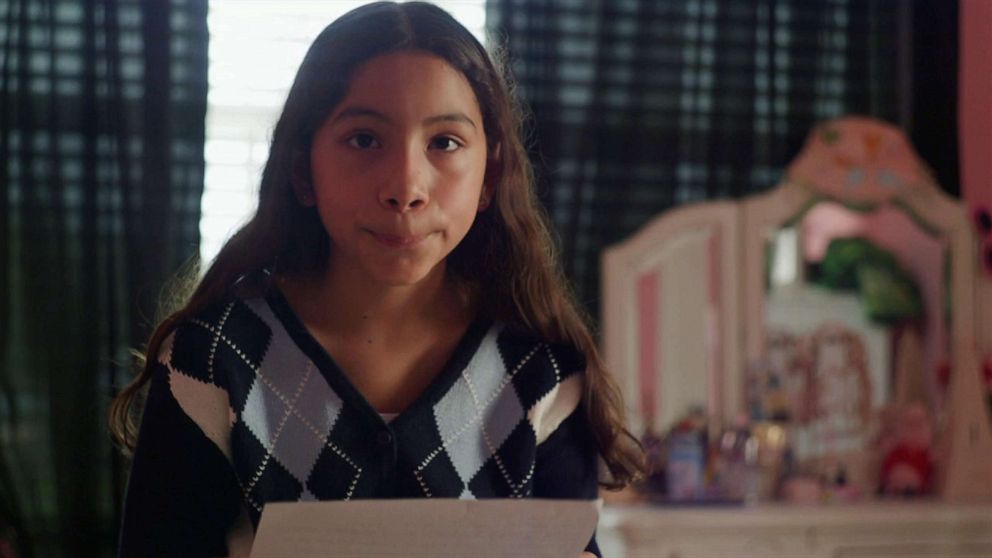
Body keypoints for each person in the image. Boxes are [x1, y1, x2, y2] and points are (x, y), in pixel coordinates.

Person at [109, 2, 643, 556]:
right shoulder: (213, 360)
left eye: (445, 143)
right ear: (301, 170)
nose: (406, 186)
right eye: (364, 139)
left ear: (492, 176)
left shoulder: (541, 368)